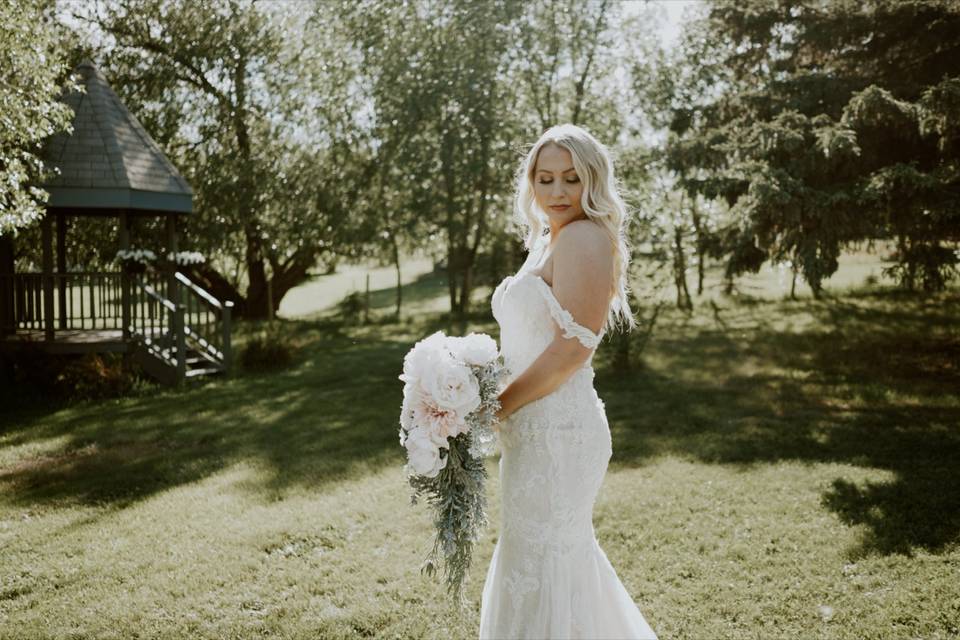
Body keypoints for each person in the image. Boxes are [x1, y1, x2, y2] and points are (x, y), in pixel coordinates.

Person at [479, 124, 658, 639]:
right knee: (535, 558)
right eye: (545, 178)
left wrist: (495, 408)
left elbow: (574, 348)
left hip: (558, 433)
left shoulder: (583, 236)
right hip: (532, 429)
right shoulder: (548, 239)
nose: (557, 192)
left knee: (548, 561)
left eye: (571, 179)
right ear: (530, 183)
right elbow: (532, 339)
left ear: (592, 181)